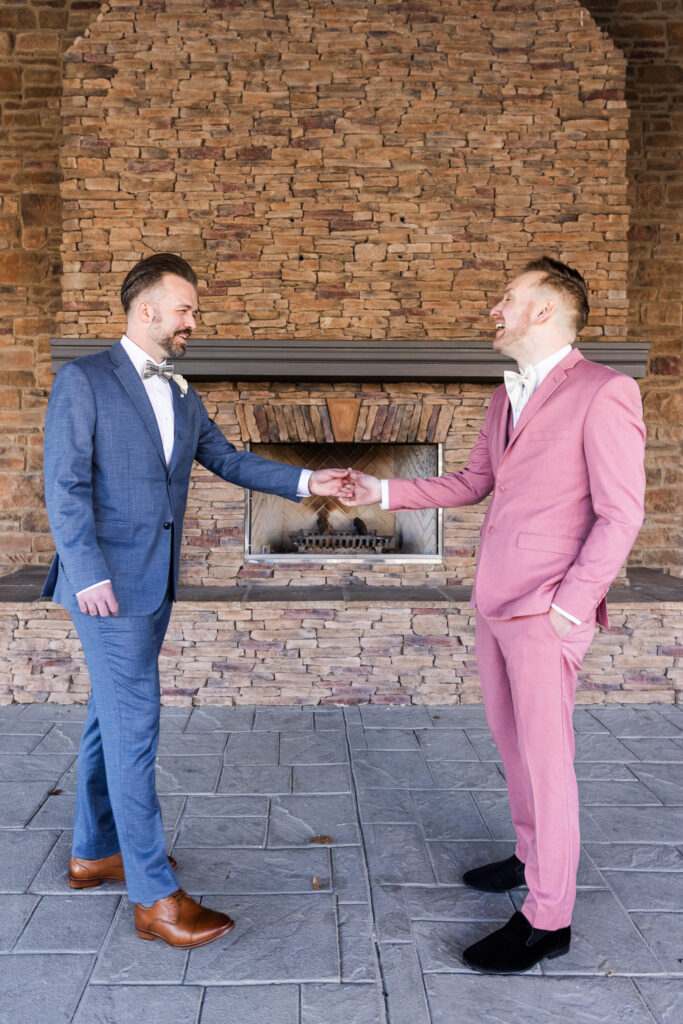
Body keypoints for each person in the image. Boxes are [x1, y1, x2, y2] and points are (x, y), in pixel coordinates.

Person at [342, 257, 646, 974]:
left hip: (544, 610)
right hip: (494, 600)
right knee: (512, 746)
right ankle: (528, 856)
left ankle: (548, 918)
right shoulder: (502, 396)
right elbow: (474, 481)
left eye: (506, 299)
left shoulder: (606, 392)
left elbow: (620, 513)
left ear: (544, 310)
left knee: (547, 762)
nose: (493, 310)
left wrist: (569, 608)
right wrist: (379, 492)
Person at [42, 253, 352, 949]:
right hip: (107, 588)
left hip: (155, 581)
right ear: (146, 309)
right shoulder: (83, 379)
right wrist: (87, 571)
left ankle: (95, 851)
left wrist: (309, 480)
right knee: (136, 724)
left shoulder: (181, 391)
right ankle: (154, 896)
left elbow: (229, 459)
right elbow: (62, 484)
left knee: (109, 716)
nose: (192, 322)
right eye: (184, 309)